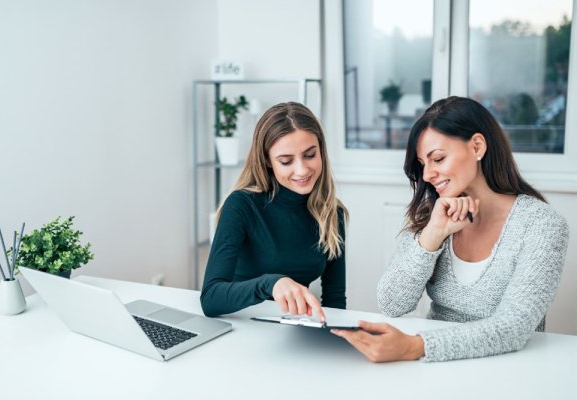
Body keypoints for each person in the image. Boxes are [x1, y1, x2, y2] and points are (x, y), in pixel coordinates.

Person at [332, 96, 569, 362]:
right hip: (434, 368)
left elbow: (513, 327)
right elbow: (392, 304)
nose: (427, 175)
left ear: (477, 146)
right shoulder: (433, 215)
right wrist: (432, 235)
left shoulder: (541, 224)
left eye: (438, 159)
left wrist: (415, 346)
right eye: (423, 164)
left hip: (506, 370)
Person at [200, 102, 348, 321]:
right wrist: (271, 283)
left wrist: (334, 339)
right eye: (286, 161)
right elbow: (210, 299)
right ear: (268, 161)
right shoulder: (242, 205)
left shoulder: (331, 212)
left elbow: (335, 300)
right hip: (239, 324)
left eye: (310, 155)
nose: (302, 170)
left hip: (292, 330)